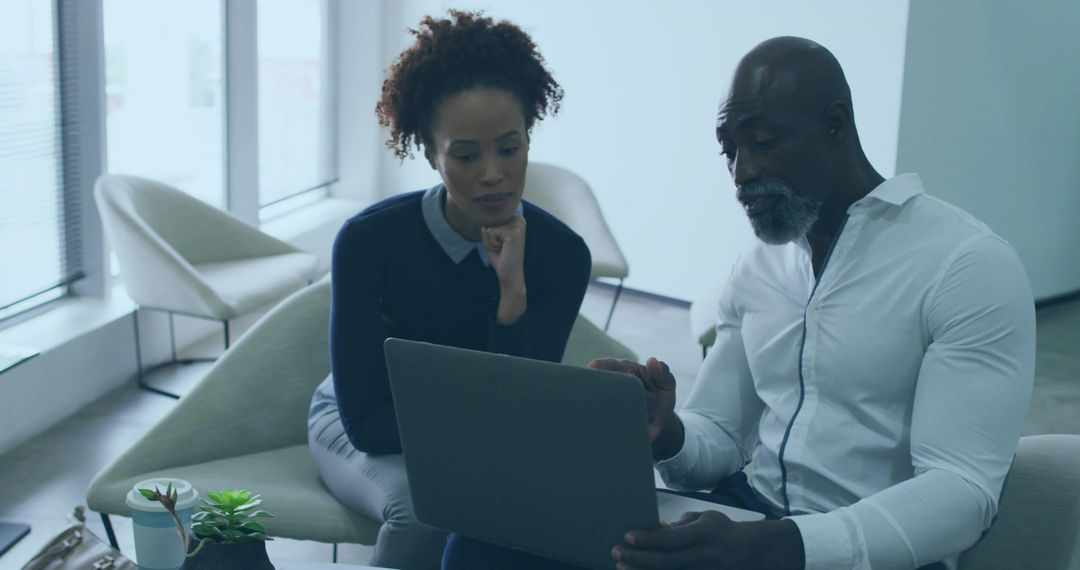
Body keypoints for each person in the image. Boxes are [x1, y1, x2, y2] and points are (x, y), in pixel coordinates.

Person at [443, 36, 1035, 570]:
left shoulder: (965, 265)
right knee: (483, 544)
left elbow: (962, 494)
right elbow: (722, 437)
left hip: (862, 551)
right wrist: (667, 431)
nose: (741, 172)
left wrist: (787, 545)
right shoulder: (758, 268)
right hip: (748, 520)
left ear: (836, 125)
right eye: (728, 149)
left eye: (763, 142)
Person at [306, 11, 591, 570]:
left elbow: (521, 411)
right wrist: (484, 433)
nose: (493, 173)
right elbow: (365, 421)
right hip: (354, 418)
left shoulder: (561, 256)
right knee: (425, 508)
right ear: (430, 154)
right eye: (465, 155)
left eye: (509, 148)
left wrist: (512, 299)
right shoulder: (369, 242)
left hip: (465, 438)